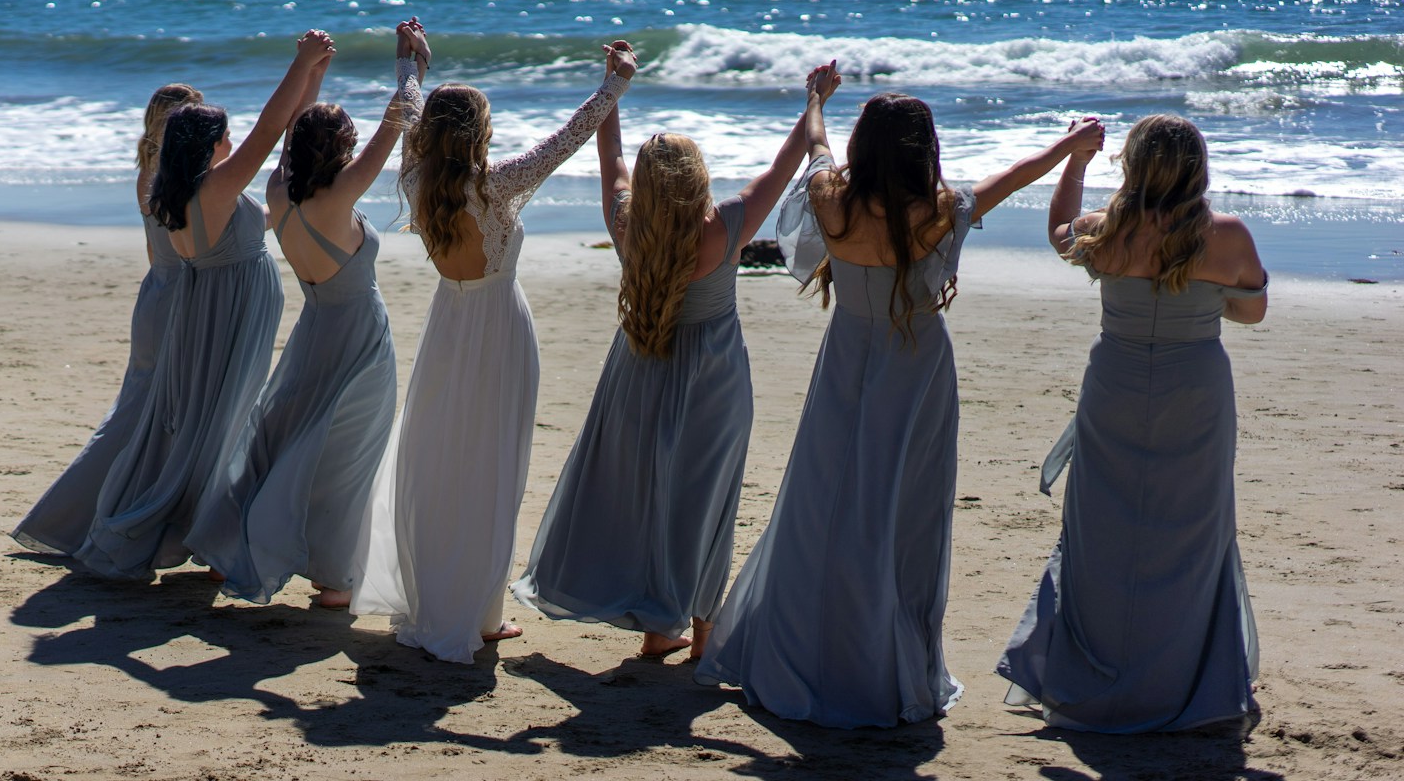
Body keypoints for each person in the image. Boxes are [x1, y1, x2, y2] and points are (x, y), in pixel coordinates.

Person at [695, 70, 1105, 727]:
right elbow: (1016, 175)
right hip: (915, 369)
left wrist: (815, 100)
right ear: (924, 150)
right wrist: (1070, 149)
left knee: (823, 505)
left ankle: (811, 646)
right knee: (904, 515)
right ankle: (888, 662)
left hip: (846, 361)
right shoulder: (941, 209)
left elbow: (818, 146)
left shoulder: (832, 195)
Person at [512, 65, 829, 660]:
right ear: (697, 179)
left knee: (645, 497)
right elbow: (785, 166)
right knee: (706, 502)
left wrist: (613, 89)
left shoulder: (627, 224)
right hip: (714, 380)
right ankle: (696, 632)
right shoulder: (728, 225)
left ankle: (658, 622)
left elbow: (611, 160)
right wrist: (814, 102)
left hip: (639, 369)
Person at [351, 37, 636, 662]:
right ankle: (478, 615)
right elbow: (565, 140)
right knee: (492, 466)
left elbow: (408, 106)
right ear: (480, 134)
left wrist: (411, 63)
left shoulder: (417, 178)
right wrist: (614, 85)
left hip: (448, 324)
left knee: (440, 459)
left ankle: (453, 600)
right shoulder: (497, 186)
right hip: (499, 330)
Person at [997, 114, 1267, 732]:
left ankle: (1099, 673)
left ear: (1132, 165)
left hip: (1115, 385)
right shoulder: (1227, 235)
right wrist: (1200, 296)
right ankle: (1181, 680)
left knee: (1105, 532)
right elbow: (1252, 312)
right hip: (1194, 392)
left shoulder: (1104, 230)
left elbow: (1058, 231)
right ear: (1199, 167)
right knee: (1192, 533)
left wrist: (1075, 161)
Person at [71, 30, 333, 581]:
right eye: (226, 138)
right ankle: (205, 536)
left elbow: (282, 146)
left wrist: (314, 76)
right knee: (223, 423)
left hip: (218, 313)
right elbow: (269, 130)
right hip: (228, 318)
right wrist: (299, 64)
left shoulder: (183, 190)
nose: (234, 144)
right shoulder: (212, 189)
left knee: (213, 422)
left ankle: (203, 533)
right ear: (209, 146)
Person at [188, 20, 432, 607]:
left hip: (313, 330)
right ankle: (332, 578)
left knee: (288, 437)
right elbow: (394, 128)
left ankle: (241, 545)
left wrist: (312, 70)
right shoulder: (339, 195)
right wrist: (412, 65)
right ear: (341, 151)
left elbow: (291, 132)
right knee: (349, 457)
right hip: (357, 340)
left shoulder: (279, 190)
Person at [11, 83, 204, 555]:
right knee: (143, 414)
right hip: (174, 297)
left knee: (144, 411)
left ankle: (113, 518)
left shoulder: (150, 172)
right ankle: (69, 521)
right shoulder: (176, 176)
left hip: (157, 293)